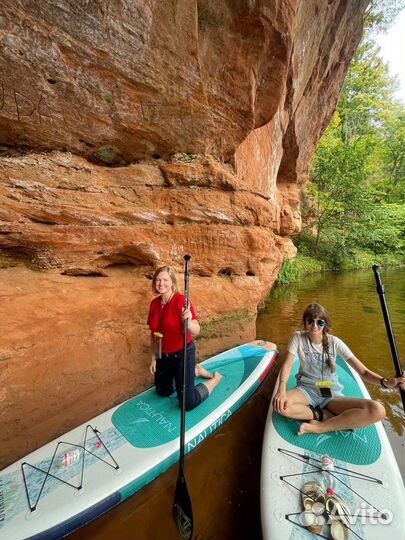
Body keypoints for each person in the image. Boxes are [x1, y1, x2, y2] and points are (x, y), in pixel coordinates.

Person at [273, 303, 405, 435]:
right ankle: (325, 416)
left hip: (328, 390)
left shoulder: (334, 342)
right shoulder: (298, 337)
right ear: (305, 323)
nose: (314, 326)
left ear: (325, 324)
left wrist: (386, 383)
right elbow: (288, 364)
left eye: (320, 322)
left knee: (377, 410)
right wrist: (282, 389)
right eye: (310, 321)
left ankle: (320, 427)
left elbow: (363, 372)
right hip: (306, 389)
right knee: (280, 405)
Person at [147, 265, 222, 411]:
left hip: (183, 354)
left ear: (172, 283)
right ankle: (195, 371)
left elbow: (197, 329)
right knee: (163, 391)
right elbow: (153, 334)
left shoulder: (181, 301)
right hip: (164, 356)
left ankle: (215, 379)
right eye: (158, 280)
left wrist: (188, 324)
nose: (161, 283)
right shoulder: (154, 304)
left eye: (165, 280)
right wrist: (153, 358)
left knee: (188, 403)